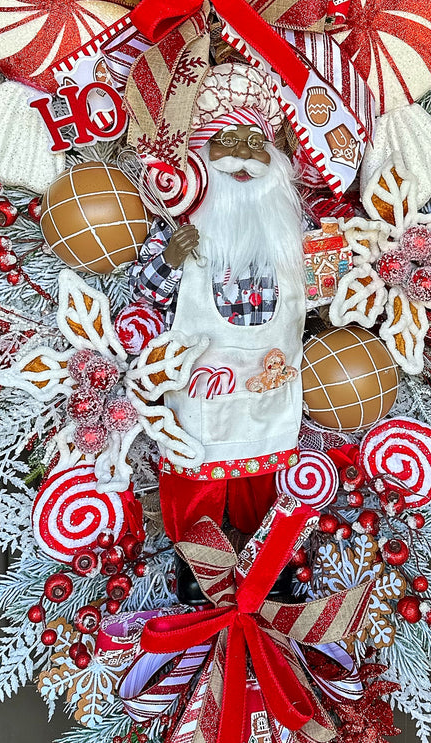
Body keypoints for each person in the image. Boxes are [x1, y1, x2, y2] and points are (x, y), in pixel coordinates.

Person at [128, 105, 306, 543]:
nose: (242, 156)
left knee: (265, 479)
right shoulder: (181, 225)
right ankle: (194, 563)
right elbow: (146, 292)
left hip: (272, 386)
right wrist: (170, 258)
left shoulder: (294, 230)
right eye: (226, 142)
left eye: (253, 142)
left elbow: (321, 289)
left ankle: (268, 565)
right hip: (200, 388)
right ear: (201, 156)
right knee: (194, 476)